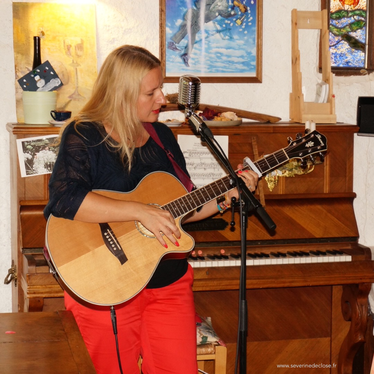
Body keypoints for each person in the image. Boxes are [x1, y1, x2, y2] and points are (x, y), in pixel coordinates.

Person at [44, 44, 258, 374]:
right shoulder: (85, 133)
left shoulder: (162, 137)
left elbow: (182, 209)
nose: (163, 99)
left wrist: (229, 195)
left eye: (162, 89)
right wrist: (139, 211)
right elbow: (64, 198)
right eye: (152, 92)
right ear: (121, 94)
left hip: (168, 285)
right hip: (106, 286)